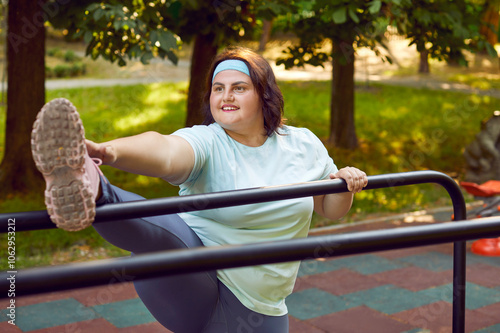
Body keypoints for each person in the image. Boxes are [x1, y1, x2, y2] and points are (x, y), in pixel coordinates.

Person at [31, 46, 368, 333]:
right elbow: (164, 150)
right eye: (218, 88)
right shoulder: (209, 141)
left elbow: (329, 208)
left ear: (264, 93)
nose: (226, 97)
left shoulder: (303, 144)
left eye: (239, 87)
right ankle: (90, 184)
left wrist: (345, 183)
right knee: (166, 232)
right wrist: (108, 152)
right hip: (191, 280)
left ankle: (91, 185)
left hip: (261, 306)